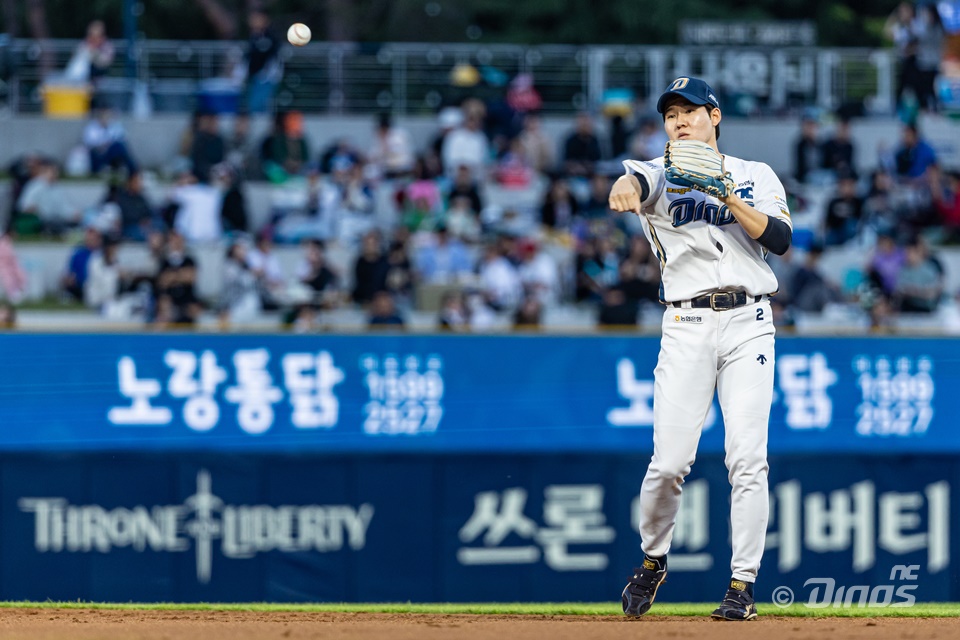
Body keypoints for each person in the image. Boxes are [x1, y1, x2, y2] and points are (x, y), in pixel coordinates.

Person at [608, 76, 793, 621]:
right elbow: (633, 183)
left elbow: (780, 240)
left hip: (749, 321)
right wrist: (626, 189)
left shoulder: (754, 175)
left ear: (715, 116)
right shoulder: (658, 174)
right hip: (686, 322)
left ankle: (742, 585)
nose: (680, 120)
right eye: (671, 115)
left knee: (747, 460)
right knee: (668, 464)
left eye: (690, 110)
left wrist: (725, 195)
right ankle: (653, 559)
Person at [244, 9, 282, 113]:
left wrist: (268, 73)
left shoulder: (271, 36)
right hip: (255, 74)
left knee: (258, 104)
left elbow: (275, 55)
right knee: (253, 103)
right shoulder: (253, 36)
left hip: (266, 76)